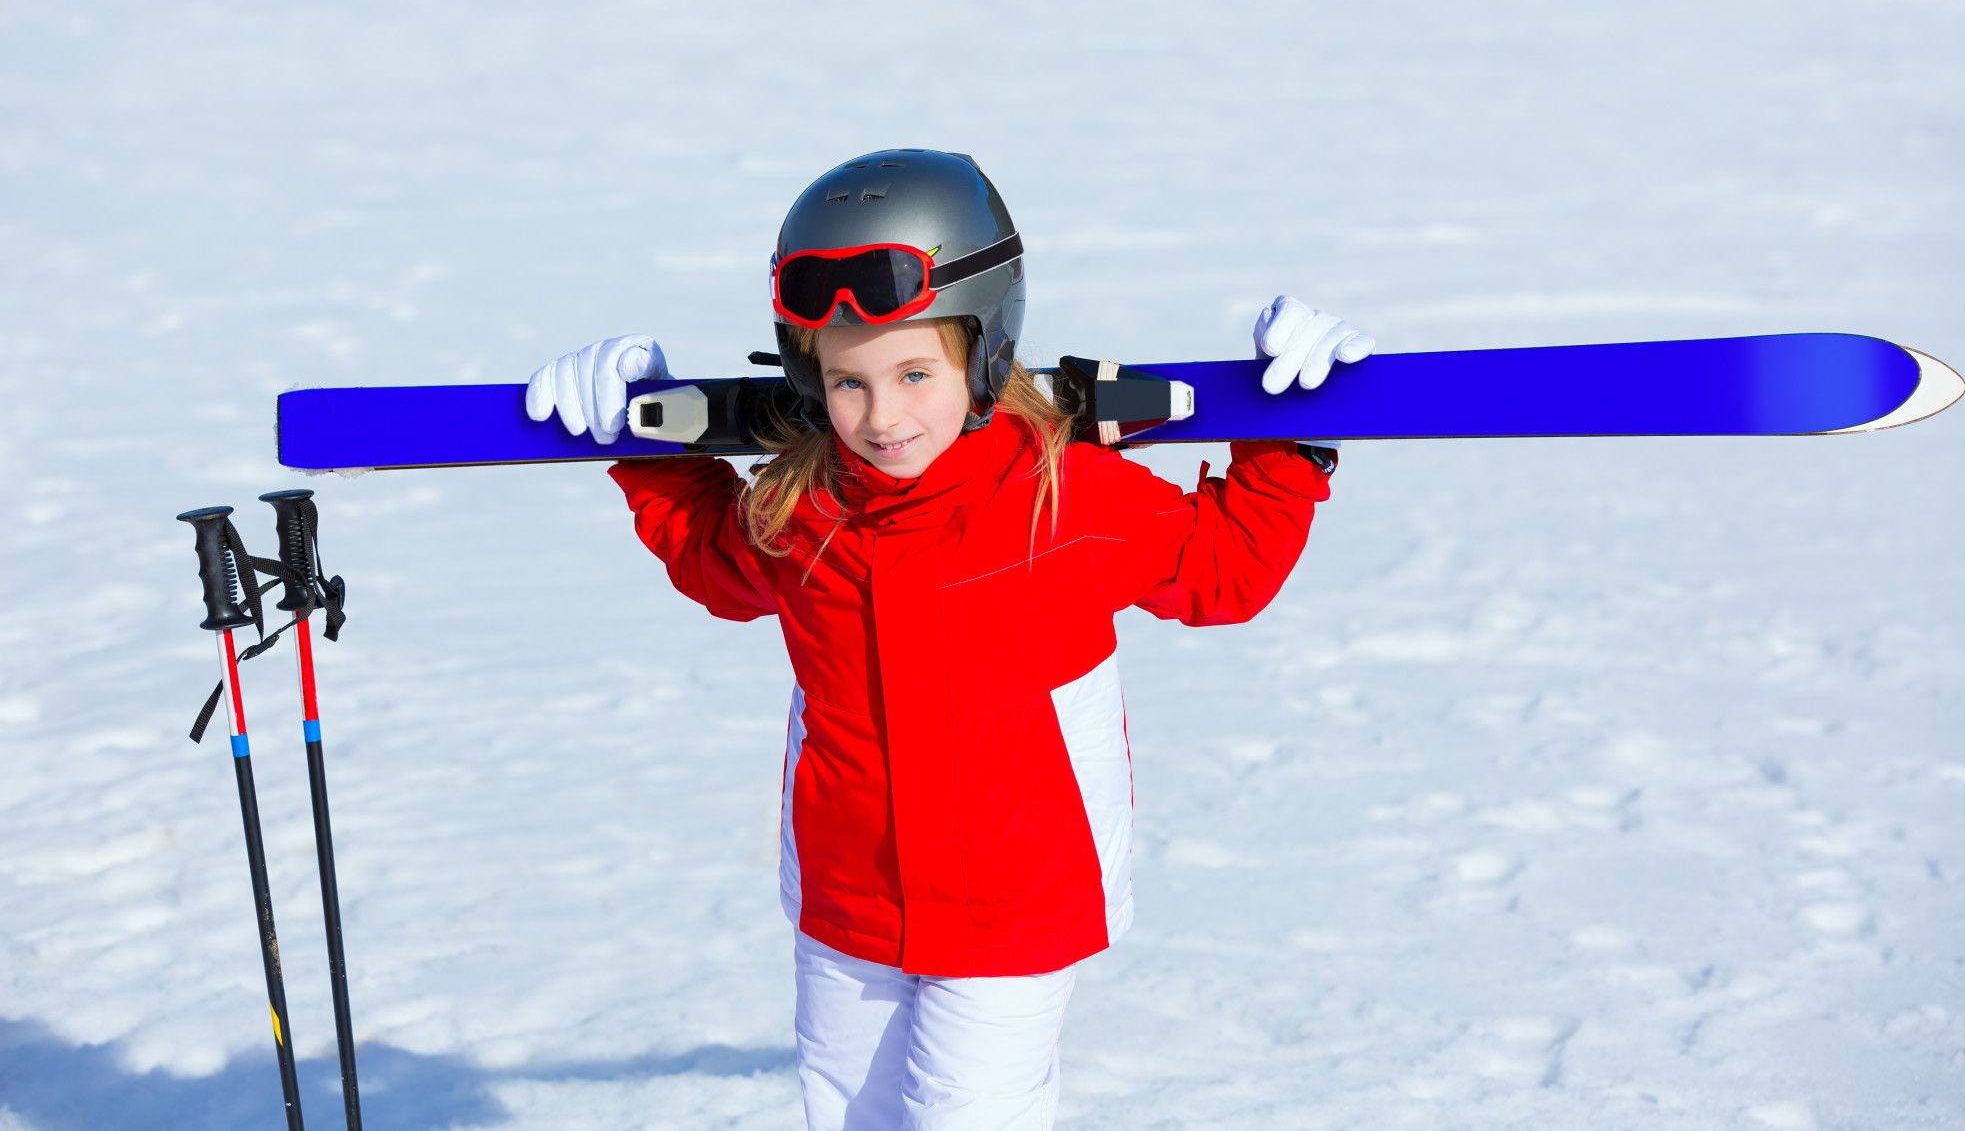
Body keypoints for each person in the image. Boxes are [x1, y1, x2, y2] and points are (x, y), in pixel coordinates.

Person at [527, 149, 1373, 1130]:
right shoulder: (806, 503)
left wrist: (1290, 434)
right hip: (846, 907)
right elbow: (717, 563)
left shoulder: (1062, 495)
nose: (880, 417)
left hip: (1014, 907)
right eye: (847, 383)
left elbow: (1222, 572)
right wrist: (641, 438)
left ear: (985, 348)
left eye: (914, 371)